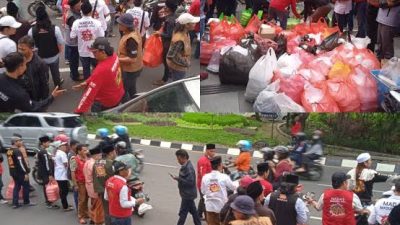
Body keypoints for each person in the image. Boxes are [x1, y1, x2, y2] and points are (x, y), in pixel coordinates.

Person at [73, 37, 125, 113]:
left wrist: (78, 112)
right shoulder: (114, 56)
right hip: (118, 94)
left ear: (103, 52)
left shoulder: (101, 69)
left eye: (95, 52)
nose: (93, 55)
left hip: (105, 103)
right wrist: (87, 82)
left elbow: (88, 96)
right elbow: (102, 77)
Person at [0, 52, 65, 112]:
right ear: (20, 67)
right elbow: (35, 107)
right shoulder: (20, 95)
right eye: (25, 64)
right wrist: (52, 97)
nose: (26, 67)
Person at [29, 6, 65, 88]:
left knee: (43, 73)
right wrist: (59, 50)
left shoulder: (32, 30)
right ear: (47, 16)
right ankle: (57, 85)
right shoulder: (55, 28)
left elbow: (31, 45)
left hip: (40, 57)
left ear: (36, 18)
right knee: (55, 72)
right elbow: (61, 41)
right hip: (54, 56)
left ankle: (45, 86)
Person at [70, 0, 105, 79]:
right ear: (91, 10)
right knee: (96, 68)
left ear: (81, 11)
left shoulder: (76, 22)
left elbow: (72, 36)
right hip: (94, 50)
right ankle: (96, 82)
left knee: (86, 69)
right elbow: (102, 35)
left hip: (82, 50)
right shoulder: (97, 22)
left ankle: (88, 84)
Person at [104, 161, 145, 225]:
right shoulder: (122, 186)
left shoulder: (109, 180)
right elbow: (124, 204)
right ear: (121, 172)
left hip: (112, 214)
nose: (128, 171)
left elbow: (106, 197)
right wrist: (136, 202)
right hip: (122, 217)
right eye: (126, 169)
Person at [201, 156, 236, 225]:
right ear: (220, 165)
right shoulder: (224, 177)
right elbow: (233, 187)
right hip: (221, 207)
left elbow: (203, 191)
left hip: (209, 207)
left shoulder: (205, 177)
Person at [116, 13, 143, 101]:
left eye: (120, 24)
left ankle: (128, 108)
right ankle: (136, 103)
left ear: (126, 26)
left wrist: (116, 59)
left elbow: (132, 58)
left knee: (122, 92)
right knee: (132, 89)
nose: (118, 25)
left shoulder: (131, 39)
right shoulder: (132, 32)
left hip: (130, 70)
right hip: (132, 69)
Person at [172, 149, 202, 225]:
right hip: (187, 194)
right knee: (193, 211)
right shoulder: (185, 166)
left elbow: (190, 182)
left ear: (184, 157)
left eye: (179, 159)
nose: (178, 161)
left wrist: (179, 179)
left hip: (187, 195)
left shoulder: (189, 169)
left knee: (183, 213)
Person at [166, 13, 199, 81]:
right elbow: (171, 55)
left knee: (173, 82)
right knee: (176, 84)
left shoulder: (184, 32)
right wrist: (186, 63)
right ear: (186, 25)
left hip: (177, 66)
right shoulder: (179, 39)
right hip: (178, 68)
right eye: (193, 23)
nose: (195, 24)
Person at [152, 0, 178, 86]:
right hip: (171, 43)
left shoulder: (170, 20)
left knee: (166, 61)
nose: (164, 7)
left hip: (168, 43)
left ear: (168, 8)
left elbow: (169, 35)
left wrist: (159, 33)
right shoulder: (174, 16)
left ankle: (165, 79)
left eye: (166, 6)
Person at [17, 35, 50, 101]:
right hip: (20, 95)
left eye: (23, 49)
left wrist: (44, 100)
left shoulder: (40, 63)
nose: (19, 51)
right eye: (18, 48)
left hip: (34, 97)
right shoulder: (16, 58)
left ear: (31, 48)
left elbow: (44, 83)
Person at [6, 135, 35, 208]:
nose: (21, 142)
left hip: (13, 172)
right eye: (19, 141)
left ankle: (15, 203)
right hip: (20, 172)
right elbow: (21, 163)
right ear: (15, 142)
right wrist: (25, 173)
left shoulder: (9, 150)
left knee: (17, 187)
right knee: (25, 186)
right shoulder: (17, 151)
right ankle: (26, 201)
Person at [93, 143, 117, 225]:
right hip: (112, 190)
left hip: (102, 190)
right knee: (114, 209)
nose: (116, 153)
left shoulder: (98, 162)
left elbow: (101, 178)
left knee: (106, 209)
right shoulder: (112, 164)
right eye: (115, 152)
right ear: (111, 153)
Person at [83, 145, 105, 225]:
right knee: (98, 207)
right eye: (100, 155)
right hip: (97, 188)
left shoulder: (87, 162)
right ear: (95, 155)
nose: (101, 157)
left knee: (93, 204)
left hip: (89, 187)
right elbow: (102, 177)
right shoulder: (97, 164)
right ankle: (97, 221)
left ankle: (92, 219)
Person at [37, 135, 59, 209]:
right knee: (47, 187)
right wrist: (50, 174)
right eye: (48, 142)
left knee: (46, 186)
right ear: (43, 143)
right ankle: (48, 202)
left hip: (44, 173)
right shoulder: (43, 152)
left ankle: (49, 201)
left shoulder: (43, 150)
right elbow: (46, 164)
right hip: (45, 173)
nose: (49, 144)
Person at [375, 0, 400, 65]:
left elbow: (390, 2)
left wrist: (379, 2)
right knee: (379, 47)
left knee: (387, 48)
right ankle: (378, 67)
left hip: (389, 21)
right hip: (381, 18)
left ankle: (388, 70)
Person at [71, 144, 90, 224]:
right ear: (79, 151)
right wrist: (75, 184)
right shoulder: (74, 159)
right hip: (80, 182)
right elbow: (73, 172)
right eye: (84, 150)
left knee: (86, 198)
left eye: (86, 150)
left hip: (87, 182)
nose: (86, 151)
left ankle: (86, 213)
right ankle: (81, 216)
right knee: (81, 200)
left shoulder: (87, 158)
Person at [65, 0, 83, 81]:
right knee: (74, 60)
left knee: (74, 59)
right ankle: (75, 75)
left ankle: (74, 74)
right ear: (75, 5)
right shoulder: (71, 17)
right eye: (79, 3)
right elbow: (75, 32)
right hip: (73, 43)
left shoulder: (76, 12)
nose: (81, 4)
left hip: (75, 41)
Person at [197, 143, 216, 220]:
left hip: (207, 183)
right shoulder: (203, 161)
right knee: (205, 200)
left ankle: (198, 214)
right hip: (203, 184)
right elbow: (203, 175)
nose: (213, 153)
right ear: (207, 151)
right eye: (211, 151)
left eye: (214, 151)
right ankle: (207, 217)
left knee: (203, 199)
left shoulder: (209, 159)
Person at [54, 135, 74, 211]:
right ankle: (65, 206)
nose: (66, 146)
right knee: (64, 191)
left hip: (58, 175)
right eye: (64, 145)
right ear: (60, 146)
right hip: (62, 176)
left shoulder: (57, 152)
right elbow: (66, 165)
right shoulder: (62, 154)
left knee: (63, 191)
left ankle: (65, 205)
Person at [68, 139, 80, 210]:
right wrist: (75, 184)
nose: (78, 147)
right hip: (73, 177)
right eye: (76, 145)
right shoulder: (72, 155)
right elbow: (72, 170)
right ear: (72, 146)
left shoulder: (73, 153)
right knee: (76, 193)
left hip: (74, 176)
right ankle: (78, 208)